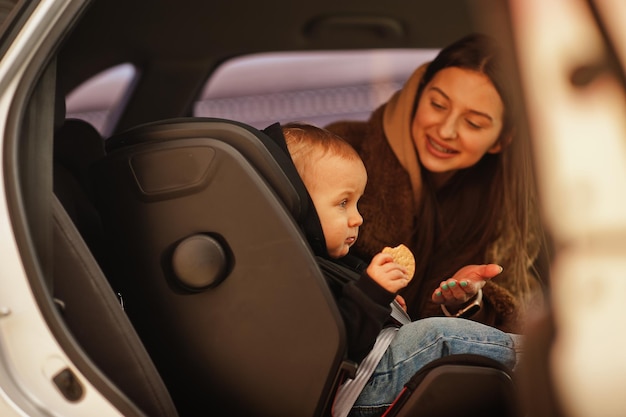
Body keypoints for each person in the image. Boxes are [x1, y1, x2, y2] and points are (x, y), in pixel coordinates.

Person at [280, 122, 520, 417]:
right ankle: (534, 356)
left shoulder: (331, 262)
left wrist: (385, 308)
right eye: (343, 203)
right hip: (353, 388)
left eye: (358, 204)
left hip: (373, 368)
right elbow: (332, 345)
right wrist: (371, 294)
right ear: (296, 203)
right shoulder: (291, 274)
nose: (358, 219)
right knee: (436, 337)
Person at [326, 32, 550, 333]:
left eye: (473, 123)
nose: (446, 130)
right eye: (438, 105)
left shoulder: (509, 208)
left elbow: (515, 315)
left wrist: (468, 303)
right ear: (418, 95)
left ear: (501, 140)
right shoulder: (344, 147)